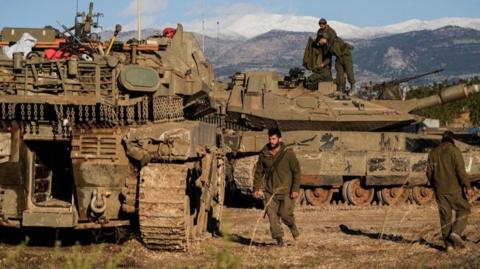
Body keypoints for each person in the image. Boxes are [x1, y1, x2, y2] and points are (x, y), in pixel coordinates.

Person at [427, 131, 475, 251]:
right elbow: (461, 171)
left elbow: (429, 173)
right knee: (464, 209)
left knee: (445, 217)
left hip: (439, 190)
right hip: (454, 189)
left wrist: (435, 186)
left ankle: (448, 246)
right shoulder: (454, 151)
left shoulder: (433, 152)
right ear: (452, 140)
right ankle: (456, 232)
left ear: (442, 140)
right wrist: (468, 187)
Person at [253, 128, 302, 246]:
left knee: (285, 215)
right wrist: (256, 188)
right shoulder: (264, 154)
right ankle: (279, 239)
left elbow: (296, 171)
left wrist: (295, 189)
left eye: (274, 139)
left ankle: (292, 226)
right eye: (270, 139)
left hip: (286, 190)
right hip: (270, 191)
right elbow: (259, 172)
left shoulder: (288, 153)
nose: (271, 141)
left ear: (280, 139)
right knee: (272, 217)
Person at [318, 33, 355, 97]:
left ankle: (353, 88)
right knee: (339, 73)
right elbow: (329, 57)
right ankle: (340, 90)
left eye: (320, 41)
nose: (320, 42)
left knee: (349, 72)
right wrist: (323, 63)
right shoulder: (326, 46)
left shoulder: (333, 40)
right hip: (339, 58)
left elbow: (341, 43)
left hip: (346, 56)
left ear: (323, 39)